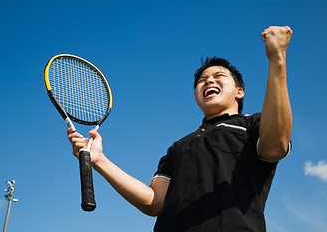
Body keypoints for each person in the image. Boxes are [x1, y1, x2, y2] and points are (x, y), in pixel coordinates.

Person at [67, 26, 293, 231]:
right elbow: (153, 202)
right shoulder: (178, 147)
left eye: (218, 76)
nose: (208, 81)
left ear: (239, 91)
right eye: (202, 80)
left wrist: (277, 60)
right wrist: (99, 160)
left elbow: (276, 146)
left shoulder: (251, 124)